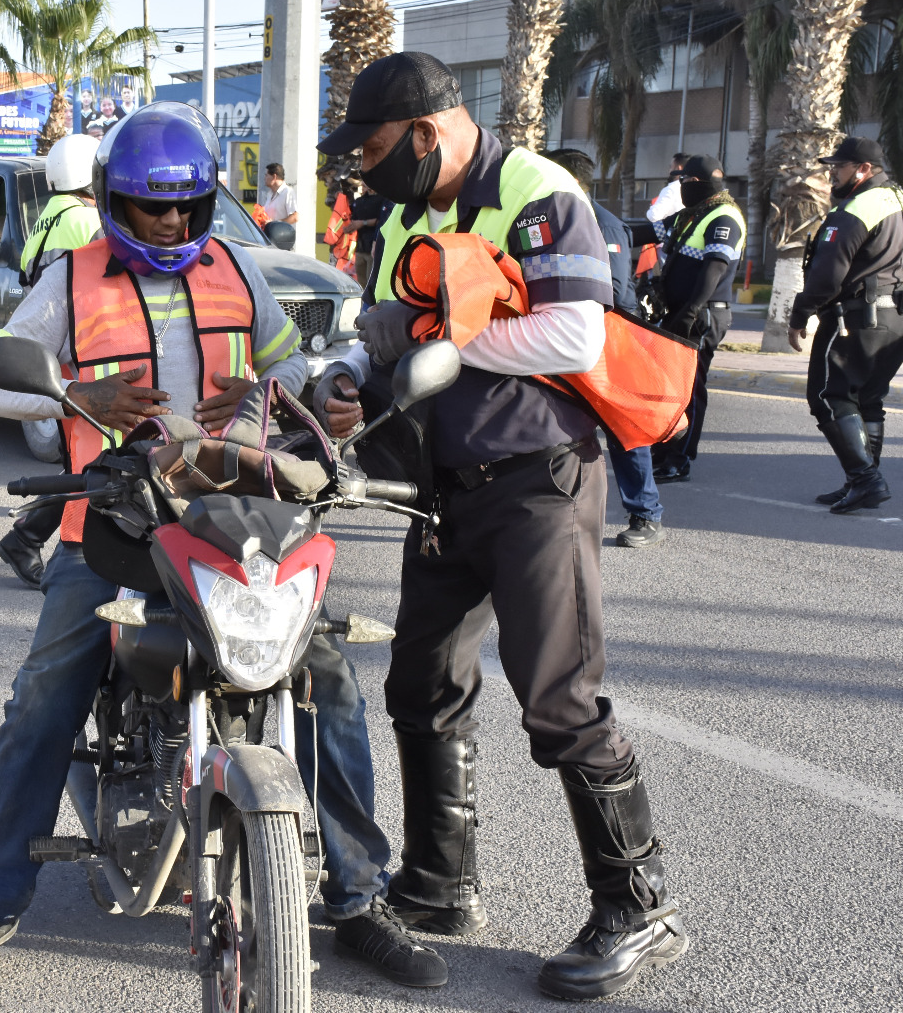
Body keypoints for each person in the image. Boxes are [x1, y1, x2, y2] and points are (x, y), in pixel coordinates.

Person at [0, 101, 447, 995]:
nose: (170, 222)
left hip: (233, 521)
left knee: (328, 683)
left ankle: (359, 898)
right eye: (151, 206)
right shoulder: (71, 279)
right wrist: (74, 394)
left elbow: (288, 361)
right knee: (42, 699)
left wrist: (278, 391)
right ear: (115, 202)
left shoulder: (235, 269)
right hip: (111, 526)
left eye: (186, 206)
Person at [313, 51, 686, 1001]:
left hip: (536, 482)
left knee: (560, 698)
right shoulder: (405, 216)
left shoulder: (534, 190)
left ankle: (639, 907)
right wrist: (351, 374)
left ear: (427, 132)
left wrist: (437, 342)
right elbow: (380, 331)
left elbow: (574, 332)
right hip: (444, 487)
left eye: (375, 149)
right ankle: (441, 885)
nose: (365, 170)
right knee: (421, 682)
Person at [0, 134, 105, 587]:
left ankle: (27, 537)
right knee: (88, 465)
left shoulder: (46, 219)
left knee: (82, 463)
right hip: (82, 355)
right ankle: (30, 539)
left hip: (51, 354)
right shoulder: (88, 220)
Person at [545, 148, 665, 548]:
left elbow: (610, 290)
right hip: (568, 336)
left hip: (612, 339)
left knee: (623, 429)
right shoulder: (554, 218)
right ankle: (558, 513)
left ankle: (646, 514)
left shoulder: (605, 225)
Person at [788, 134, 903, 513]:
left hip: (854, 318)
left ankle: (865, 479)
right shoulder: (897, 199)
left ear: (864, 169)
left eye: (839, 166)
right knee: (868, 399)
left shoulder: (857, 208)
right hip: (894, 317)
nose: (832, 173)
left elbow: (827, 276)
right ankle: (862, 480)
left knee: (828, 395)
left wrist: (800, 313)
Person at [632, 155, 744, 483]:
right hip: (679, 313)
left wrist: (691, 311)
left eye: (684, 181)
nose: (680, 187)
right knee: (666, 386)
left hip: (702, 316)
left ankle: (680, 459)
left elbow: (715, 268)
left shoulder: (724, 216)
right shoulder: (690, 216)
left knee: (690, 389)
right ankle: (664, 449)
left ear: (696, 183)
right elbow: (644, 232)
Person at [346, 177, 394, 286]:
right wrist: (350, 227)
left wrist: (363, 223)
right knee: (361, 282)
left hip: (373, 247)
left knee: (371, 282)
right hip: (360, 248)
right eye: (362, 185)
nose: (364, 187)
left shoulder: (383, 200)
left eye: (365, 184)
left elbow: (381, 221)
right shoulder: (360, 201)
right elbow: (353, 218)